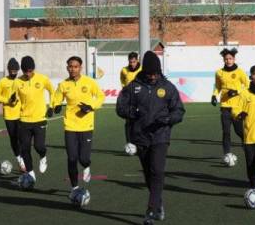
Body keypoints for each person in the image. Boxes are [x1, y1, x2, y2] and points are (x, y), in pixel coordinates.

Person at [116, 51, 185, 225]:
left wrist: (168, 119)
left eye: (156, 72)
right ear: (145, 71)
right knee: (148, 174)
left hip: (161, 136)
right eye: (150, 73)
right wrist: (132, 112)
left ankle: (150, 210)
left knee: (157, 171)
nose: (153, 76)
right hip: (140, 136)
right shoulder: (133, 86)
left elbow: (179, 110)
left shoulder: (167, 87)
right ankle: (158, 204)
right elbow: (120, 107)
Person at [51, 56, 106, 200]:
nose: (73, 69)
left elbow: (101, 96)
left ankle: (87, 166)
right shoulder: (63, 85)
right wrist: (55, 106)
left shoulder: (89, 82)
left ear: (80, 68)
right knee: (71, 158)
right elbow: (56, 98)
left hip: (86, 125)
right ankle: (74, 188)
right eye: (70, 66)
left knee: (84, 158)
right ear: (67, 67)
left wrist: (91, 107)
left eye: (76, 66)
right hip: (70, 126)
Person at [12, 56, 55, 182]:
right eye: (25, 71)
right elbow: (12, 97)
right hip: (24, 120)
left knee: (39, 146)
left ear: (33, 69)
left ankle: (43, 156)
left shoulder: (42, 79)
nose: (28, 74)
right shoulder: (17, 82)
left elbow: (53, 91)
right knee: (25, 148)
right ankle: (30, 173)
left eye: (30, 71)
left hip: (39, 119)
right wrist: (12, 100)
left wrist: (51, 106)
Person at [212, 48, 249, 161]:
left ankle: (247, 147)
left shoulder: (240, 72)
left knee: (239, 131)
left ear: (234, 59)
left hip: (237, 107)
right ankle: (227, 154)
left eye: (230, 58)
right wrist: (214, 96)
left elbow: (247, 86)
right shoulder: (219, 72)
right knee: (226, 132)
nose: (228, 61)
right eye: (226, 59)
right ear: (223, 59)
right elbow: (218, 87)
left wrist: (237, 92)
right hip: (224, 107)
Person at [0, 58, 25, 171]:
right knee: (14, 139)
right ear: (8, 69)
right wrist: (7, 100)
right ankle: (20, 161)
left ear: (18, 70)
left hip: (21, 115)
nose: (13, 71)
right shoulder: (2, 81)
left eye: (15, 69)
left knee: (22, 138)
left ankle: (24, 160)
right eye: (11, 69)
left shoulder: (21, 81)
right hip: (9, 115)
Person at [120, 52, 142, 153]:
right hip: (129, 99)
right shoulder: (124, 70)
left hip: (141, 99)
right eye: (130, 62)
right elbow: (123, 81)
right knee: (129, 122)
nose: (132, 64)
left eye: (134, 61)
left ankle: (140, 143)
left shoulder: (142, 70)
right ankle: (129, 143)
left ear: (137, 60)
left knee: (140, 122)